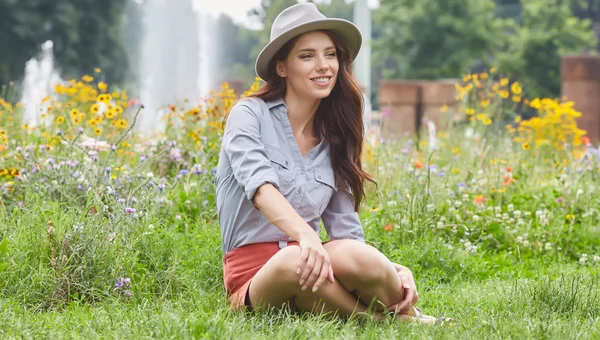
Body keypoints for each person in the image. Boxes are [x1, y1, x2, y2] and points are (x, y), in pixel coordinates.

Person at [215, 3, 450, 325]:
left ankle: (399, 308)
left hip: (317, 262)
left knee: (359, 258)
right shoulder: (248, 114)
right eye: (307, 56)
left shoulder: (335, 136)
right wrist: (307, 237)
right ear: (282, 67)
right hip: (260, 275)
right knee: (293, 258)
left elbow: (345, 230)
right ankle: (389, 323)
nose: (323, 66)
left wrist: (390, 268)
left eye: (331, 54)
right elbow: (259, 187)